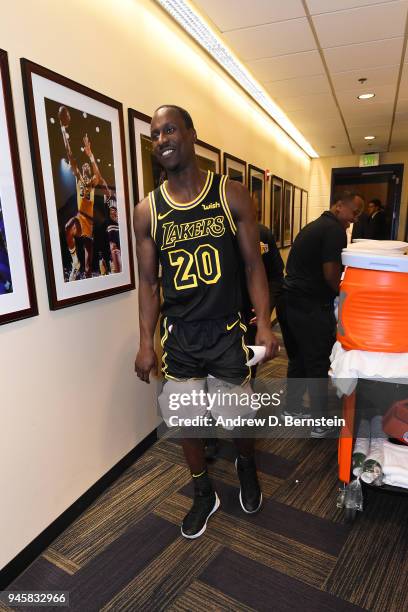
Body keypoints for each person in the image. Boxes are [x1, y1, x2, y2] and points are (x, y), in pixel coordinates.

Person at [133, 105, 279, 539]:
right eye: (155, 134)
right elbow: (147, 284)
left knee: (238, 417)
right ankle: (203, 494)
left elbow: (254, 267)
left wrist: (266, 326)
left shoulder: (230, 195)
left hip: (225, 330)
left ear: (192, 134)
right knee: (187, 422)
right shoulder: (147, 212)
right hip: (180, 336)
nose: (162, 139)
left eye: (171, 129)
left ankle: (246, 466)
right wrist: (146, 341)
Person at [279, 191, 363, 438]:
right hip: (309, 306)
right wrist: (346, 297)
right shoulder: (335, 231)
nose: (355, 219)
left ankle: (292, 409)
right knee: (317, 362)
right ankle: (319, 423)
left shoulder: (314, 225)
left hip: (289, 303)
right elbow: (330, 275)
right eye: (354, 212)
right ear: (339, 206)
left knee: (299, 359)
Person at [60, 108, 107, 280]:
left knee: (88, 269)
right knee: (67, 227)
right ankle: (74, 262)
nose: (86, 168)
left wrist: (91, 155)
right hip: (80, 217)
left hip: (90, 222)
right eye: (85, 167)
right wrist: (64, 132)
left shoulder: (93, 183)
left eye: (88, 167)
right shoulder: (79, 179)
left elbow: (99, 175)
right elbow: (70, 156)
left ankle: (84, 271)